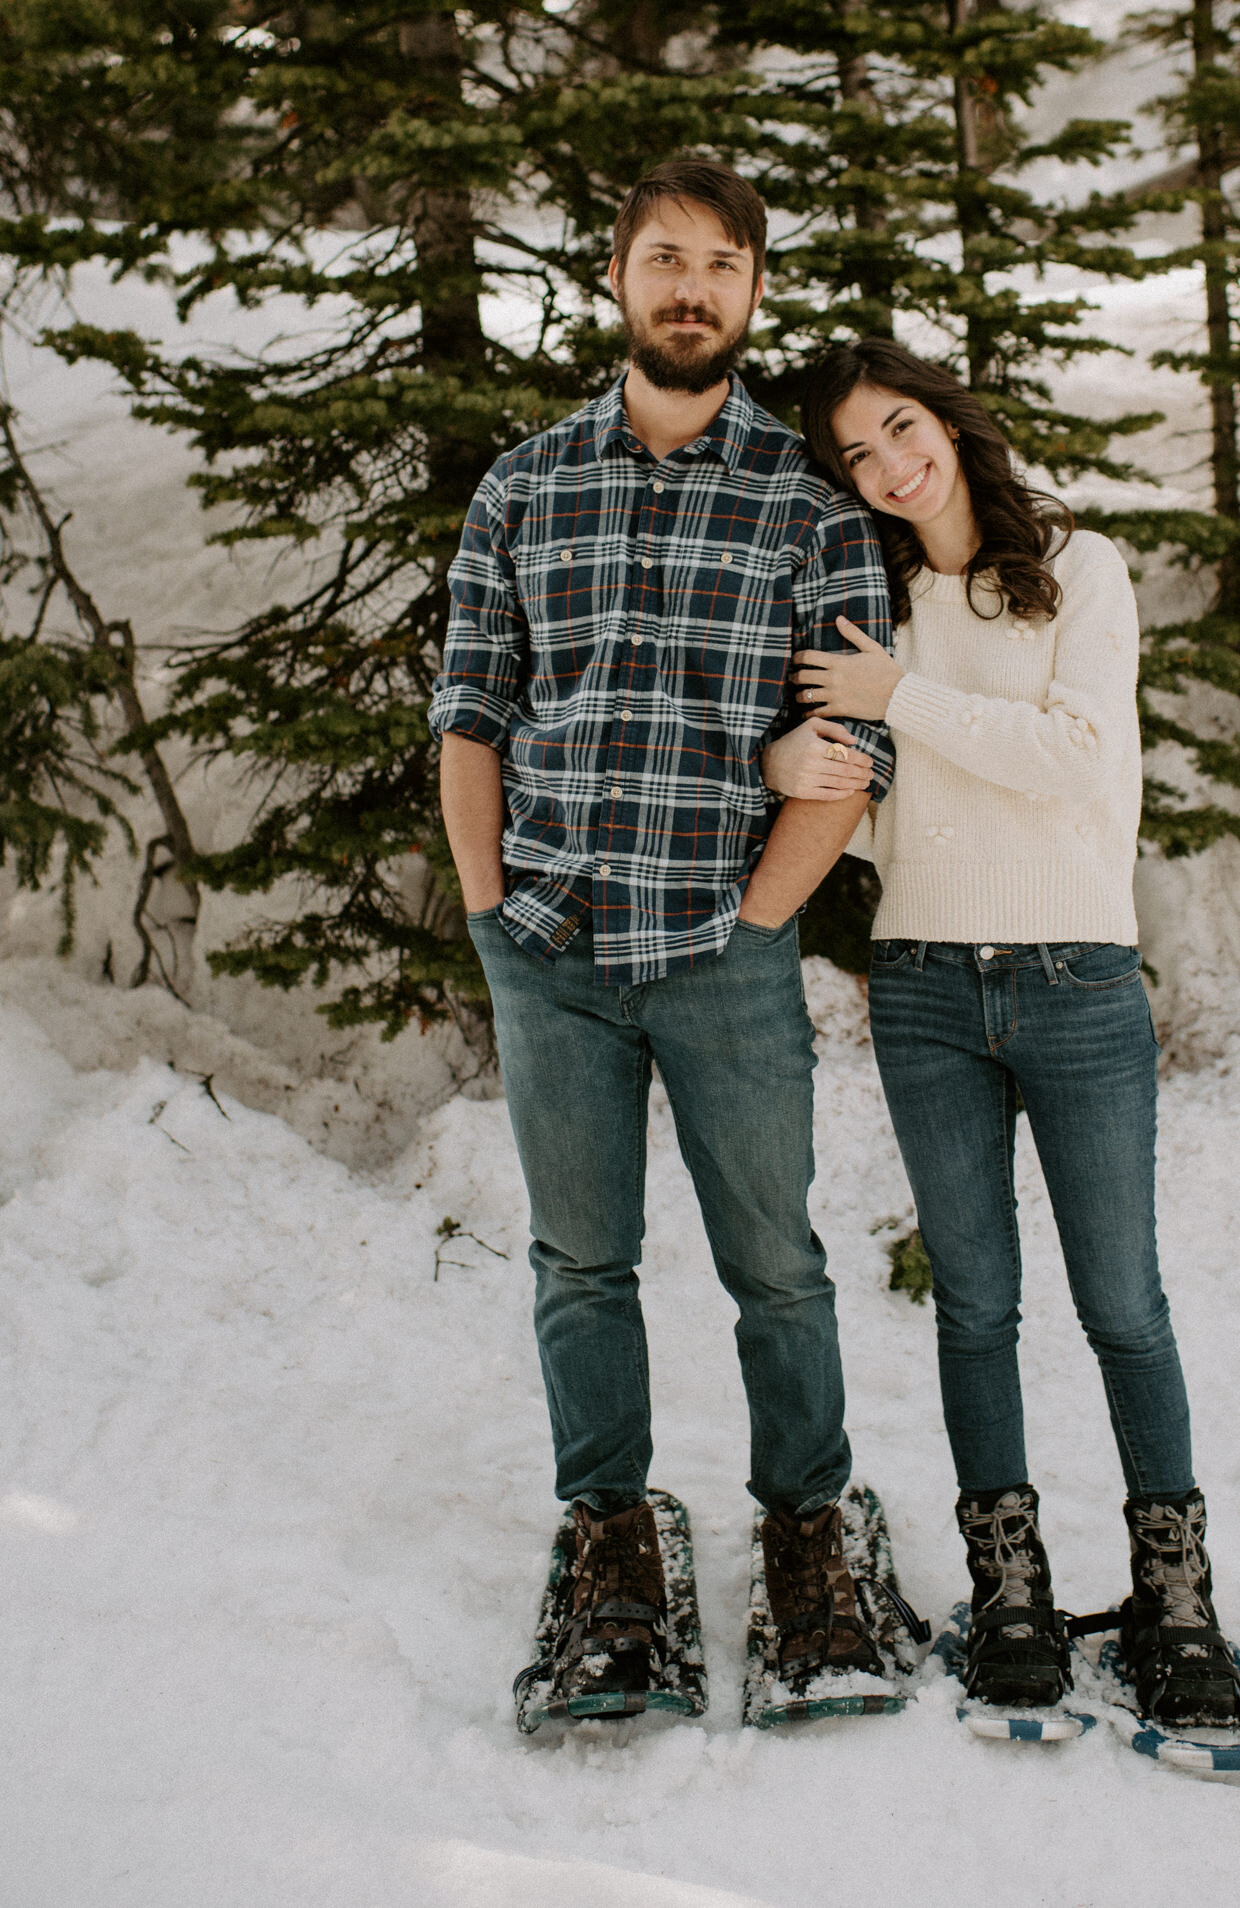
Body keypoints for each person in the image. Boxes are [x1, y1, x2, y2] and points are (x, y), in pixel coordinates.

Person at [430, 163, 896, 1714]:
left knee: (777, 1264)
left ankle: (808, 1535)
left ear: (755, 293)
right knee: (581, 1264)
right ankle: (611, 1536)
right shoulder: (524, 487)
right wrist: (493, 914)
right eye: (663, 259)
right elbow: (471, 718)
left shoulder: (813, 509)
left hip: (725, 954)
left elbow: (849, 761)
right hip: (550, 946)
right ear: (616, 279)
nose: (690, 287)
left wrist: (756, 926)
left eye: (720, 265)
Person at [760, 336, 1240, 1728]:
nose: (889, 465)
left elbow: (1075, 756)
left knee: (1123, 1305)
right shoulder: (876, 607)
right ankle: (1011, 1586)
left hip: (1079, 982)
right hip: (920, 984)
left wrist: (901, 702)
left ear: (949, 419)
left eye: (900, 428)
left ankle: (1177, 1595)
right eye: (856, 455)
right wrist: (800, 762)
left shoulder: (1077, 569)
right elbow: (880, 802)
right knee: (975, 1305)